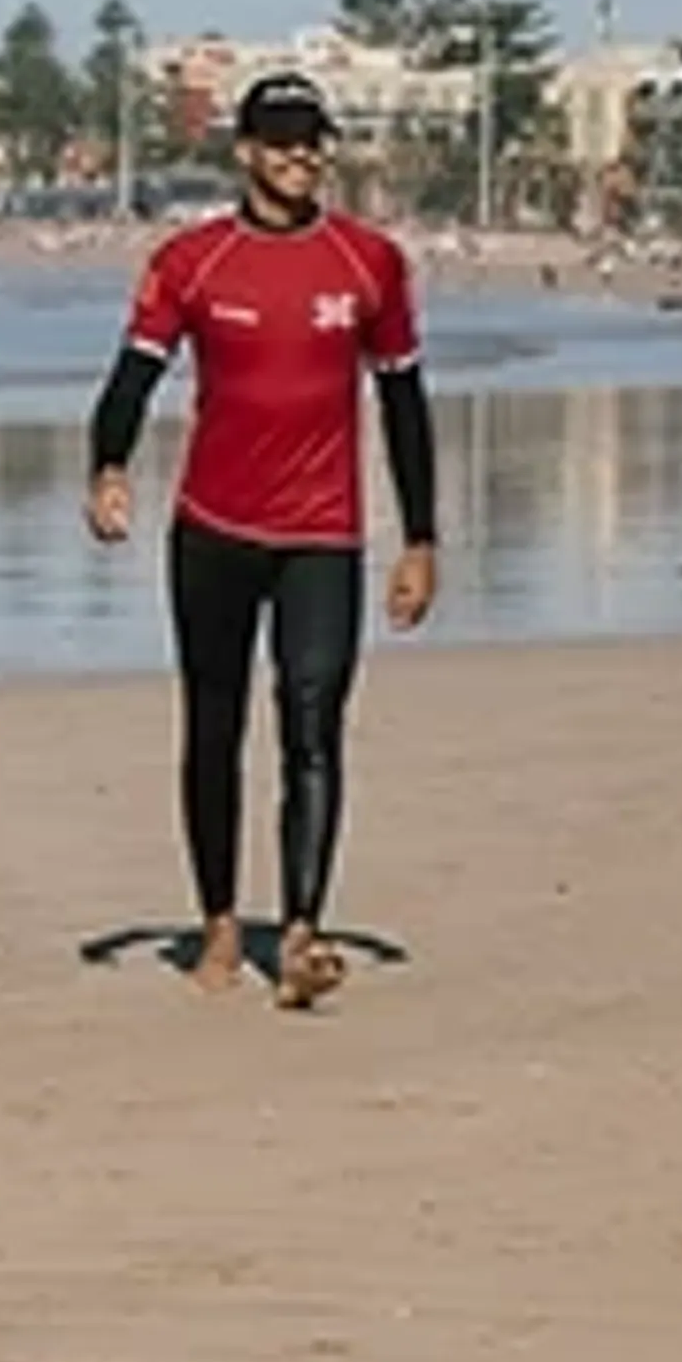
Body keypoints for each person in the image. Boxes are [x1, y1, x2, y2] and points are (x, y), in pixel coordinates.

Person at [83, 72, 439, 1013]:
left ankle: (307, 929)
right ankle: (220, 922)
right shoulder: (193, 260)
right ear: (244, 151)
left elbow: (405, 402)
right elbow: (130, 378)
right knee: (215, 725)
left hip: (323, 531)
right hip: (213, 529)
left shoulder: (370, 262)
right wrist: (108, 465)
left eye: (312, 138)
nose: (300, 156)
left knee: (313, 720)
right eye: (280, 141)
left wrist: (423, 538)